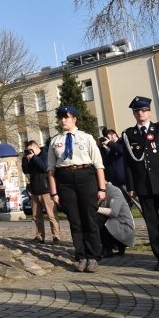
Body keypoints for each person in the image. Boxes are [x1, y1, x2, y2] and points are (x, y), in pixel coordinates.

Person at [123, 96, 159, 271]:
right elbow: (128, 164)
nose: (140, 113)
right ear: (134, 113)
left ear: (149, 111)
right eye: (137, 111)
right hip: (144, 187)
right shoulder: (129, 135)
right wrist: (131, 186)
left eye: (143, 110)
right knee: (152, 225)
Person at [47, 105, 107, 273]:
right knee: (75, 220)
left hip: (85, 176)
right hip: (65, 180)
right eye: (61, 117)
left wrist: (101, 188)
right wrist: (54, 192)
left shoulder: (86, 138)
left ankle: (93, 256)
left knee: (89, 217)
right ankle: (81, 256)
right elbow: (51, 169)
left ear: (74, 119)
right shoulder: (55, 141)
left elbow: (98, 165)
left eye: (66, 117)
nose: (63, 120)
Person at [21, 140, 61, 245]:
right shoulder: (30, 158)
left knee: (51, 215)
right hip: (34, 190)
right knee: (36, 216)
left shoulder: (45, 155)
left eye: (30, 149)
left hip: (46, 189)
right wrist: (25, 159)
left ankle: (56, 237)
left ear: (35, 147)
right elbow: (26, 170)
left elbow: (45, 168)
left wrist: (34, 157)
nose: (29, 152)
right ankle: (39, 237)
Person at [97, 182, 135, 258]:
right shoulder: (99, 190)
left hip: (125, 229)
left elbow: (113, 212)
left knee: (97, 217)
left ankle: (107, 249)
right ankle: (111, 246)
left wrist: (95, 208)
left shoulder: (113, 190)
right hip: (115, 225)